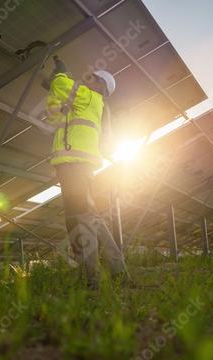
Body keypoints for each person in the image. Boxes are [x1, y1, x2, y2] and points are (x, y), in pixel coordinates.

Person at [43, 56, 129, 287]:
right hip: (71, 165)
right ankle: (113, 269)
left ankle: (94, 277)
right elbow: (53, 114)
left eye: (94, 79)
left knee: (82, 218)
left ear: (102, 87)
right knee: (83, 217)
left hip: (75, 165)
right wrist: (53, 91)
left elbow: (63, 86)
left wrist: (59, 74)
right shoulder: (81, 104)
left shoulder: (91, 98)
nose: (88, 80)